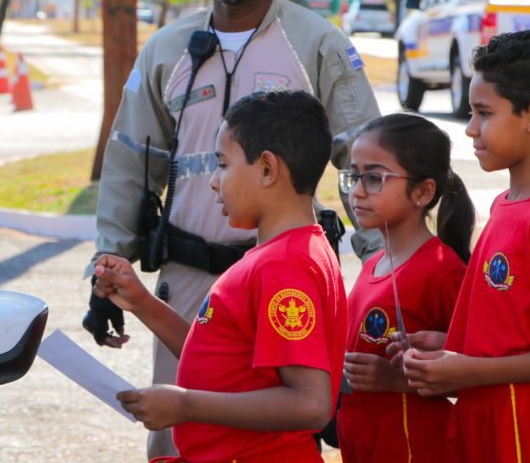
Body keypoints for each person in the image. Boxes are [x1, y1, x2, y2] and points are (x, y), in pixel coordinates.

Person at [82, 0, 380, 458]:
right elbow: (129, 165)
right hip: (188, 277)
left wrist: (384, 272)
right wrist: (107, 269)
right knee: (175, 439)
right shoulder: (166, 50)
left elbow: (366, 164)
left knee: (277, 427)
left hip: (283, 282)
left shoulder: (319, 45)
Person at [92, 90, 347, 463]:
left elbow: (311, 404)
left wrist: (186, 405)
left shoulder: (283, 267)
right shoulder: (279, 255)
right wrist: (141, 302)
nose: (214, 181)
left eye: (223, 165)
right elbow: (219, 362)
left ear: (266, 169)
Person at [401, 29, 530, 463]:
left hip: (524, 422)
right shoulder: (505, 205)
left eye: (484, 113)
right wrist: (449, 346)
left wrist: (472, 369)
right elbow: (518, 332)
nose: (471, 130)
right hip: (486, 414)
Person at [336, 113, 475, 462]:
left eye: (374, 178)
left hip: (418, 446)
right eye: (354, 175)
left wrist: (396, 380)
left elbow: (481, 376)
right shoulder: (372, 265)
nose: (357, 190)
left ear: (423, 191)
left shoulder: (441, 271)